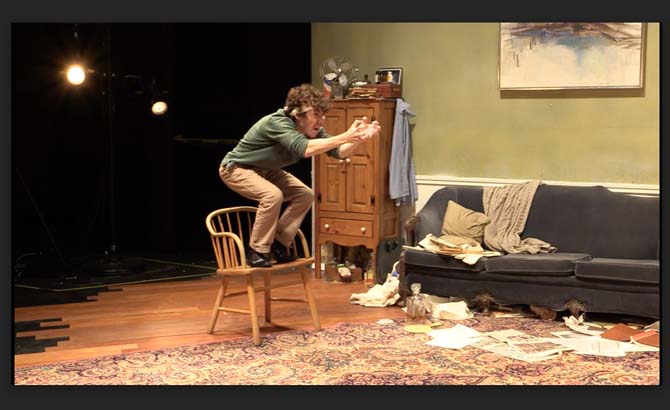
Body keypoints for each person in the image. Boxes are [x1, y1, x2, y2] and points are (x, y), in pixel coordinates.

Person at [219, 83, 381, 267]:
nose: (321, 121)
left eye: (322, 115)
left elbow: (338, 152)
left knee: (305, 195)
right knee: (272, 195)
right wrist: (347, 136)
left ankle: (278, 245)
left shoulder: (312, 130)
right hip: (237, 168)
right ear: (298, 114)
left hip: (266, 170)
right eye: (316, 115)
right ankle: (257, 250)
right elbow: (305, 149)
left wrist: (358, 139)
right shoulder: (277, 122)